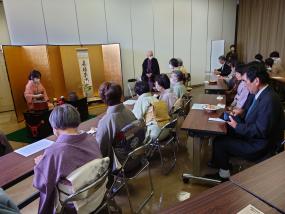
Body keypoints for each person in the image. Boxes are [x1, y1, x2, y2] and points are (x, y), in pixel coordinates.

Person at [209, 64, 284, 181]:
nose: (244, 84)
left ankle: (224, 175)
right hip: (255, 138)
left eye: (245, 81)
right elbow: (255, 116)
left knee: (220, 143)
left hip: (259, 146)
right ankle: (221, 163)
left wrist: (237, 126)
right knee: (223, 131)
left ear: (257, 81)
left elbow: (261, 131)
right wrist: (241, 114)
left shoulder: (269, 99)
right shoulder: (263, 93)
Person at [33, 104, 102, 213]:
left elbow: (41, 184)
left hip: (74, 205)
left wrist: (41, 164)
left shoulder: (55, 152)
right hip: (97, 194)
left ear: (54, 128)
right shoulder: (91, 138)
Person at [96, 82, 137, 168]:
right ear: (120, 96)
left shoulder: (105, 122)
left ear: (104, 99)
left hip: (120, 164)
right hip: (137, 157)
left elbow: (100, 151)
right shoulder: (130, 112)